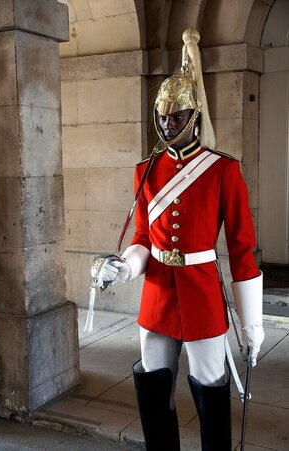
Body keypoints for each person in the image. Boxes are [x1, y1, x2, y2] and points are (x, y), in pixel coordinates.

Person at [93, 28, 264, 451]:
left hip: (202, 292)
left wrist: (253, 322)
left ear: (195, 117)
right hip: (157, 296)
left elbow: (242, 249)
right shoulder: (145, 170)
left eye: (177, 117)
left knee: (210, 392)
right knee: (154, 393)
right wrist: (126, 266)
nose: (168, 125)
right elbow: (142, 238)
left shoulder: (224, 170)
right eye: (163, 117)